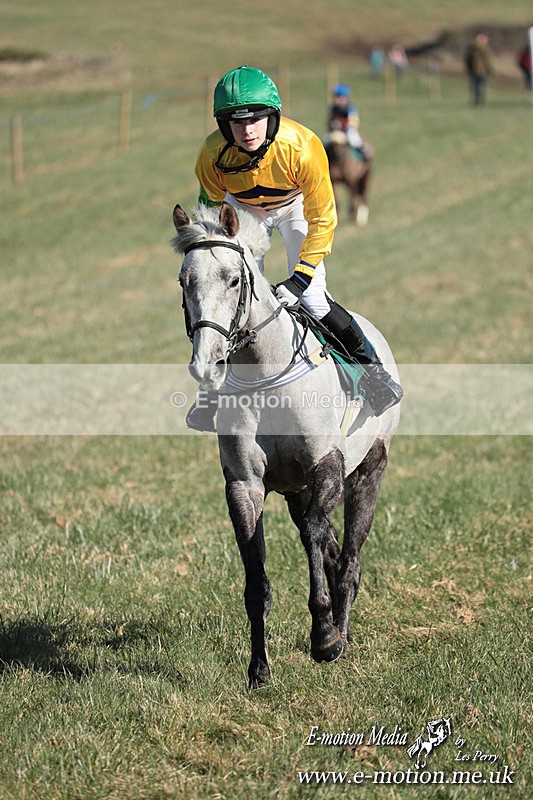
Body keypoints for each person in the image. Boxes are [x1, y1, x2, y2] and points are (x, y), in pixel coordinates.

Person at [186, 65, 403, 431]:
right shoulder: (211, 154)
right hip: (243, 211)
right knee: (228, 299)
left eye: (256, 119)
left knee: (314, 298)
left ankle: (373, 373)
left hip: (294, 207)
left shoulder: (302, 147)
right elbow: (209, 212)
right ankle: (212, 390)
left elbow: (323, 220)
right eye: (236, 123)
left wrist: (300, 279)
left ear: (273, 117)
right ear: (224, 126)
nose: (247, 130)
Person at [326, 83, 371, 161]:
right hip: (336, 132)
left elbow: (353, 122)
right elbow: (329, 121)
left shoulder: (350, 109)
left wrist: (344, 125)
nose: (337, 100)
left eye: (340, 97)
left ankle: (363, 154)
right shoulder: (333, 109)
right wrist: (333, 125)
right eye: (336, 97)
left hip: (348, 131)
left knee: (354, 140)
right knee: (325, 142)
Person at [464, 33, 493, 106]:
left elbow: (467, 59)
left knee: (476, 86)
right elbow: (487, 60)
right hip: (481, 70)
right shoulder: (483, 48)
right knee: (480, 86)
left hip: (474, 70)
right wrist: (489, 69)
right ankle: (480, 101)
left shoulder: (471, 48)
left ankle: (478, 101)